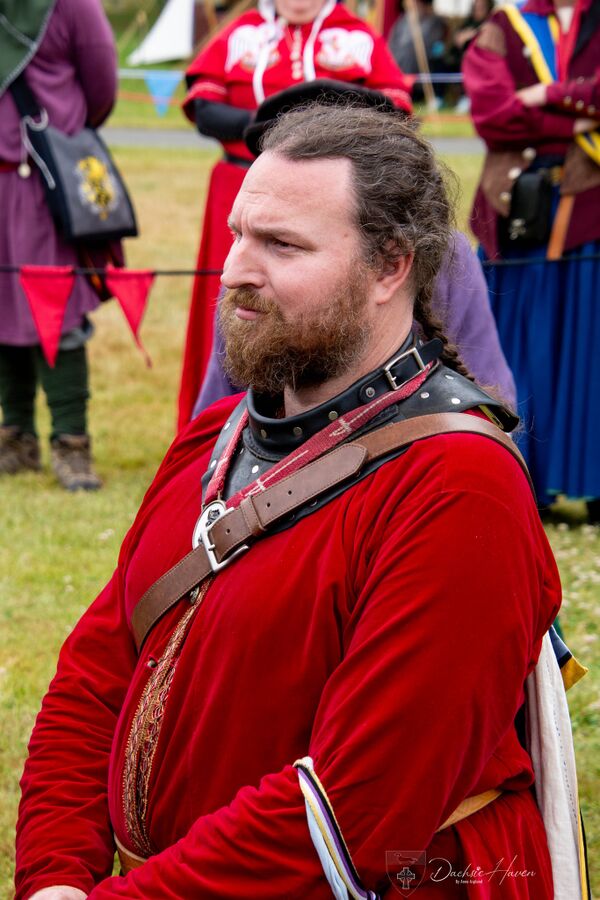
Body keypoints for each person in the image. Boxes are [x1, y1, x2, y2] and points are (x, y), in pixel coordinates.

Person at [15, 102, 566, 898]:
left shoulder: (458, 489)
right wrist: (55, 876)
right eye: (238, 234)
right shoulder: (215, 438)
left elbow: (353, 814)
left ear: (390, 267)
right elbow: (95, 678)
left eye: (282, 245)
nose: (236, 269)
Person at [177, 0, 413, 429]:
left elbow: (393, 113)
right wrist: (278, 134)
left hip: (333, 199)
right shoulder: (242, 32)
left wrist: (316, 145)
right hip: (242, 185)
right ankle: (221, 412)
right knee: (234, 296)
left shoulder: (356, 35)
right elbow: (206, 111)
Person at [462, 0, 600, 520]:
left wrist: (549, 95)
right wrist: (580, 116)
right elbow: (493, 115)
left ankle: (592, 483)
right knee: (520, 351)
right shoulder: (504, 27)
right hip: (519, 215)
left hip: (591, 216)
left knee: (590, 353)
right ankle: (521, 477)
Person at [0, 0, 118, 491]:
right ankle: (15, 437)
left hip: (47, 179)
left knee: (57, 310)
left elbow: (101, 89)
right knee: (3, 309)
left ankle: (72, 444)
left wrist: (60, 136)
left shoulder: (72, 5)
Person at [387, 0, 448, 101]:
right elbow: (392, 42)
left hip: (421, 62)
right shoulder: (402, 20)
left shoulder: (433, 21)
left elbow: (429, 43)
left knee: (409, 53)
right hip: (399, 60)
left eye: (415, 3)